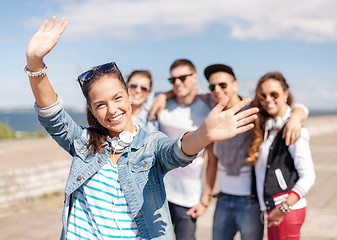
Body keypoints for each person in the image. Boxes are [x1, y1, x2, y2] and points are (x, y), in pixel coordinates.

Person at [24, 17, 258, 240]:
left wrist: (203, 135)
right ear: (92, 110)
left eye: (117, 98)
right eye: (100, 105)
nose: (112, 110)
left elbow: (176, 151)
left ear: (129, 97)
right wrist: (35, 62)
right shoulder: (83, 142)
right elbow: (52, 114)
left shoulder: (151, 145)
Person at [202, 64, 309, 240]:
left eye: (223, 85)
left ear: (235, 85)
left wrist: (296, 117)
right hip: (223, 198)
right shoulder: (212, 109)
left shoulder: (254, 110)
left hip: (250, 201)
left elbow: (295, 106)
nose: (217, 90)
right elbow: (185, 94)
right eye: (212, 86)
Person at [246, 72, 316, 240]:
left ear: (285, 94)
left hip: (286, 210)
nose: (268, 99)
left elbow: (309, 176)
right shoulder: (269, 127)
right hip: (273, 209)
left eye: (274, 94)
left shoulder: (294, 130)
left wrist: (284, 207)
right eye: (263, 96)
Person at [156, 59, 217, 240]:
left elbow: (212, 159)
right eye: (172, 80)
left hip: (189, 198)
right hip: (160, 193)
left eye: (182, 78)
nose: (177, 83)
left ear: (195, 77)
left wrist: (205, 199)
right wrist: (163, 96)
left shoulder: (208, 110)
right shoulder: (161, 104)